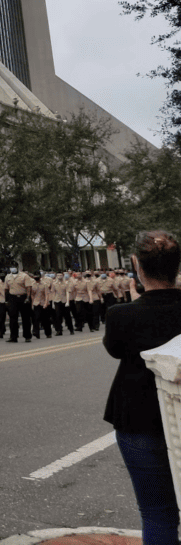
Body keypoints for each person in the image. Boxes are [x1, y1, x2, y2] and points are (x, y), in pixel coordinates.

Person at [103, 230, 181, 544]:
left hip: (138, 421)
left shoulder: (121, 316)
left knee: (157, 513)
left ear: (137, 266)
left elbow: (116, 349)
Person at [5, 266, 34, 343]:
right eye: (11, 267)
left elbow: (28, 288)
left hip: (23, 297)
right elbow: (6, 289)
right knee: (13, 318)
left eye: (13, 267)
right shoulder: (8, 276)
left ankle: (27, 336)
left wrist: (28, 298)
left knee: (26, 318)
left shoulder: (24, 276)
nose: (12, 269)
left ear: (17, 268)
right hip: (12, 298)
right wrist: (6, 300)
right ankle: (13, 337)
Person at [51, 271, 74, 336]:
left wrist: (67, 301)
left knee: (67, 316)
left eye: (60, 275)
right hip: (57, 300)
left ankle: (71, 329)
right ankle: (59, 331)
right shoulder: (54, 283)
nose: (59, 276)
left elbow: (67, 292)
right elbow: (53, 293)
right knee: (58, 317)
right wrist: (53, 302)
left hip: (64, 301)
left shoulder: (66, 283)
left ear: (63, 276)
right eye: (58, 275)